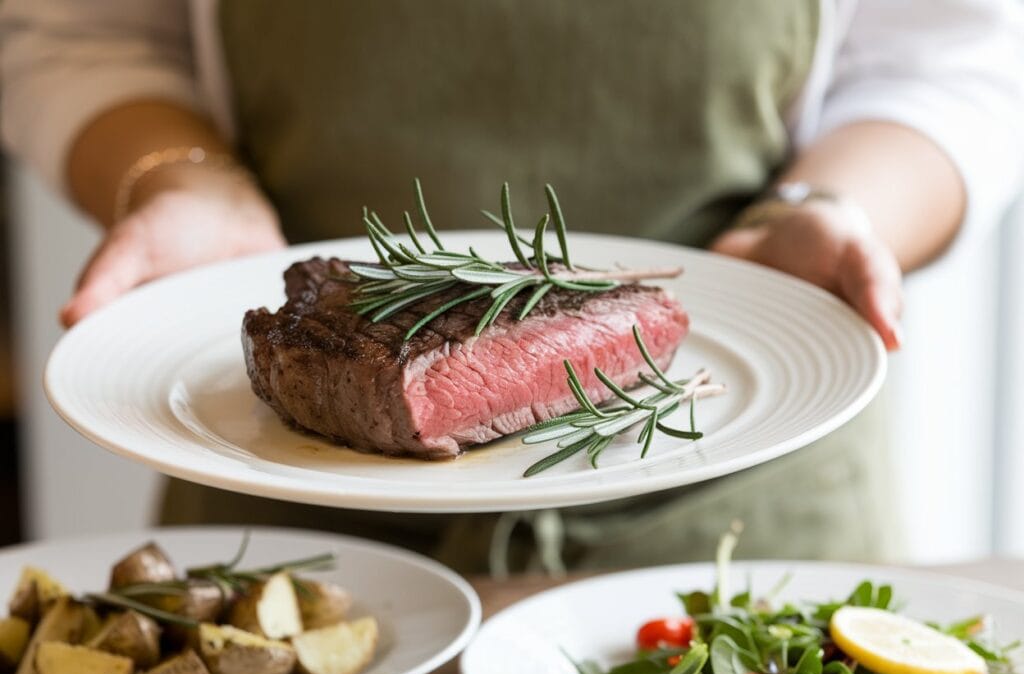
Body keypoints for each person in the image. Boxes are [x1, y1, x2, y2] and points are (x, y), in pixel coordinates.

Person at [2, 1, 1022, 574]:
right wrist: (182, 180)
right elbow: (83, 35)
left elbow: (951, 61)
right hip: (282, 515)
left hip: (745, 512)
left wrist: (835, 202)